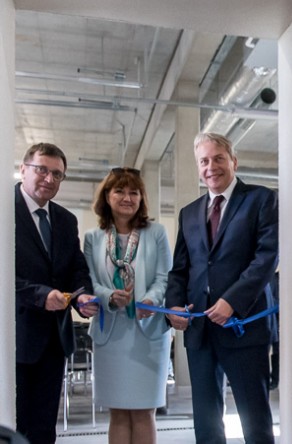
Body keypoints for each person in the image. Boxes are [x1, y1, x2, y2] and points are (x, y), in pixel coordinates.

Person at [165, 132, 278, 444]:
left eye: (218, 159)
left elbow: (266, 258)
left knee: (255, 421)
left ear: (233, 161)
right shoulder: (189, 213)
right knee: (206, 424)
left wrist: (232, 301)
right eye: (204, 161)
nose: (211, 167)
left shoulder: (261, 199)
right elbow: (180, 269)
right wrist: (173, 306)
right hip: (200, 331)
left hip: (244, 328)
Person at [15, 142, 98, 444]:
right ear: (23, 169)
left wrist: (81, 296)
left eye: (57, 174)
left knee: (44, 426)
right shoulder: (3, 209)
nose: (49, 179)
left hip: (53, 340)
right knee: (13, 426)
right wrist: (41, 295)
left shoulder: (65, 219)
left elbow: (76, 268)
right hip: (13, 337)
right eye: (42, 170)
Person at [83, 167, 172, 444]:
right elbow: (89, 281)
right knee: (119, 412)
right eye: (119, 191)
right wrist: (109, 296)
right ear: (106, 196)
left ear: (141, 198)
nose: (127, 198)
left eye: (134, 192)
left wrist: (151, 300)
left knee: (145, 412)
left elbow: (164, 277)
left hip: (148, 332)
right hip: (110, 333)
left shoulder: (156, 233)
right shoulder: (93, 238)